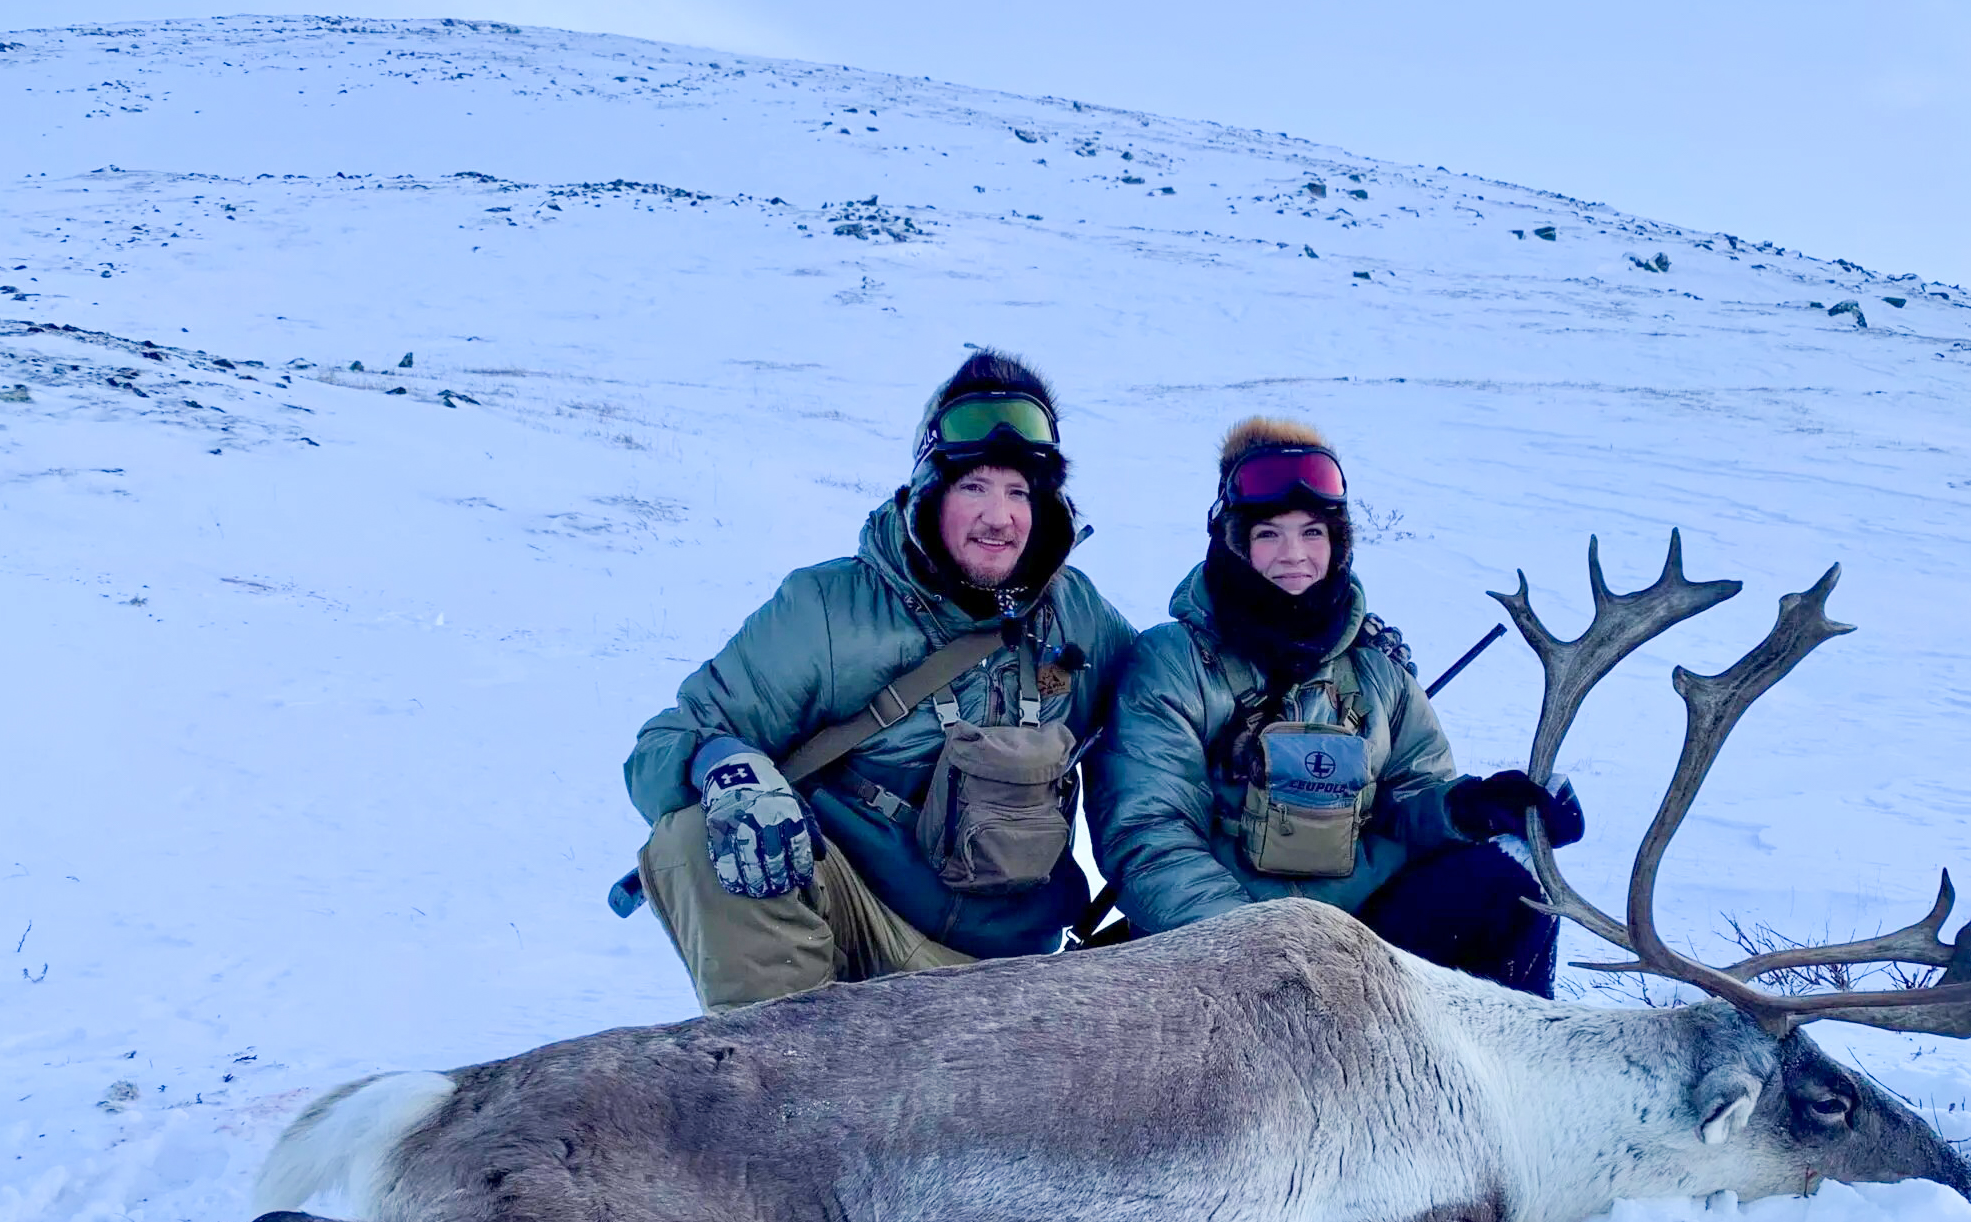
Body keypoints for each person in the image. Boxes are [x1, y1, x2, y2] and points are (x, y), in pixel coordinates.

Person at [623, 351, 1137, 1011]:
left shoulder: (1080, 614)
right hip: (864, 935)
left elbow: (1164, 720)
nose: (999, 517)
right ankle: (787, 1080)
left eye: (1019, 492)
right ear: (930, 491)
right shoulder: (828, 608)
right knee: (698, 835)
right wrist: (724, 763)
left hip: (1024, 974)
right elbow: (667, 742)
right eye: (974, 487)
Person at [1092, 418, 1584, 994]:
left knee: (1512, 879)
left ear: (1338, 542)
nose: (1293, 555)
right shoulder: (1173, 662)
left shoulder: (1379, 670)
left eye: (1313, 533)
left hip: (1361, 944)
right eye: (1269, 533)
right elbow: (1150, 834)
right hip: (1218, 956)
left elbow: (1411, 806)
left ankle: (1513, 1070)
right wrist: (1257, 957)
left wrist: (1470, 807)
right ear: (1234, 542)